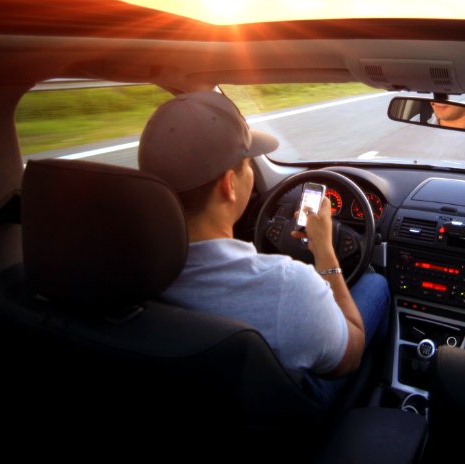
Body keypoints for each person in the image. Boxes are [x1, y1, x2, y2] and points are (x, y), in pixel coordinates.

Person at [137, 90, 390, 408]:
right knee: (375, 285)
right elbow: (350, 354)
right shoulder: (287, 284)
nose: (252, 174)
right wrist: (325, 250)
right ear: (229, 184)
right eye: (247, 165)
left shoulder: (120, 268)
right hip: (287, 412)